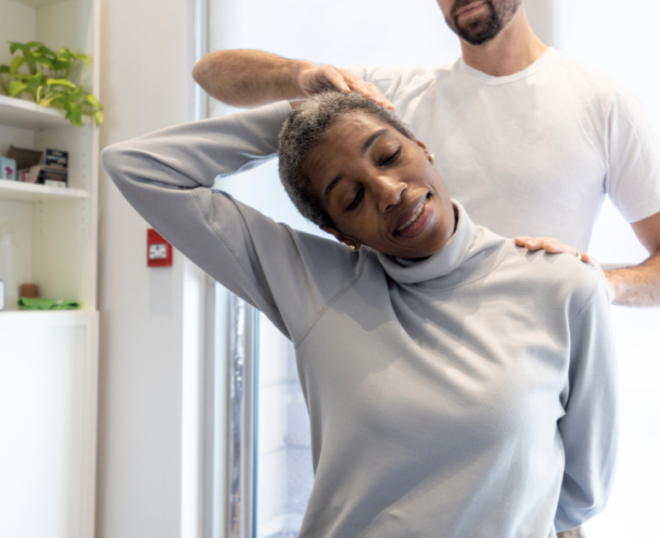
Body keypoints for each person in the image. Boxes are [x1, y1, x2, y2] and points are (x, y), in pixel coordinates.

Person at [101, 92, 618, 538]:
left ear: (424, 146)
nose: (390, 191)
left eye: (391, 154)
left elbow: (577, 494)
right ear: (340, 233)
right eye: (351, 197)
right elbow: (139, 168)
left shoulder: (562, 286)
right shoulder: (315, 284)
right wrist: (298, 117)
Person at [192, 0, 660, 309]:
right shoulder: (382, 102)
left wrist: (600, 286)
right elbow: (210, 73)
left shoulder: (601, 103)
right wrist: (298, 76)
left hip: (538, 380)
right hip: (406, 371)